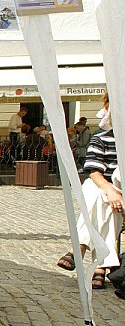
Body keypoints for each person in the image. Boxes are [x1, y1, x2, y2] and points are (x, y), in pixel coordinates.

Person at [57, 94, 120, 288]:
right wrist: (111, 191)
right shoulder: (100, 139)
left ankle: (79, 248)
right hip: (105, 189)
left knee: (102, 197)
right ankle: (101, 265)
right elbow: (94, 171)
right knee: (100, 196)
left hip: (119, 189)